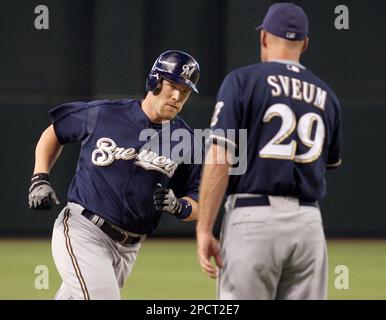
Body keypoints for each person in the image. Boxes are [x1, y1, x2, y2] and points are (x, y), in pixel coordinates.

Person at [28, 50, 202, 300]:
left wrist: (180, 207)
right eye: (173, 86)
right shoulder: (104, 114)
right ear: (154, 81)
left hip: (128, 249)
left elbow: (200, 202)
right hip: (83, 230)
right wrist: (39, 178)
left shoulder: (186, 142)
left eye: (184, 92)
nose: (177, 96)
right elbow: (54, 132)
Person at [196, 2, 342, 300]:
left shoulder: (241, 81)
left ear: (263, 37)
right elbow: (327, 163)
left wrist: (204, 228)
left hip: (254, 219)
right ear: (305, 44)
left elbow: (221, 158)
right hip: (308, 224)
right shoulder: (327, 96)